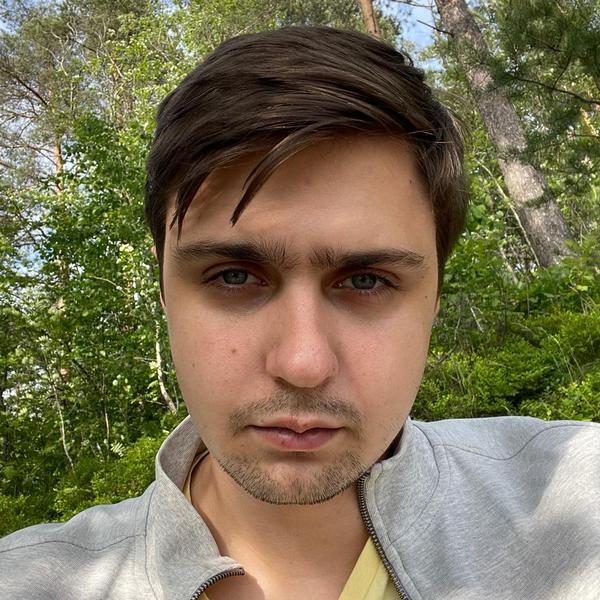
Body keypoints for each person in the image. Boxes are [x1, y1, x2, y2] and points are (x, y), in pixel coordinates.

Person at [1, 25, 599, 600]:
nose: (303, 363)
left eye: (365, 281)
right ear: (163, 284)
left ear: (436, 291)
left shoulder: (579, 495)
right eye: (234, 276)